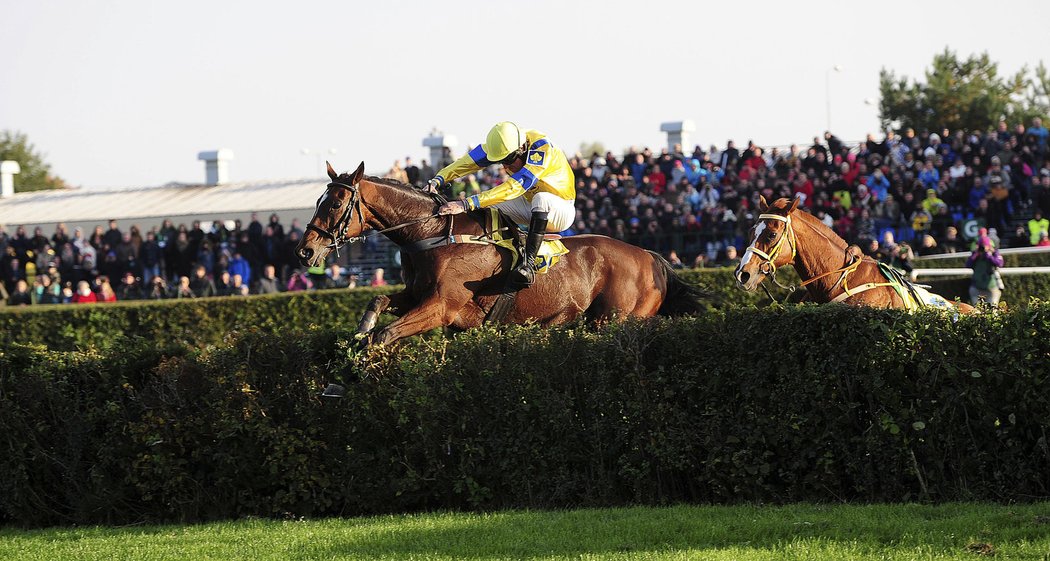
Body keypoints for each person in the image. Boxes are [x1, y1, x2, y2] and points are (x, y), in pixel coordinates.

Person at [425, 122, 576, 287]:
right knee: (488, 208)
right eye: (500, 162)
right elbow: (466, 162)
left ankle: (529, 264)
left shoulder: (542, 150)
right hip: (530, 205)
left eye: (508, 160)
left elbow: (515, 187)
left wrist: (466, 203)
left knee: (541, 198)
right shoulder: (503, 144)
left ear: (522, 149)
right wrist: (438, 179)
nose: (505, 166)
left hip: (560, 209)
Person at [966, 235, 1004, 306]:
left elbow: (999, 263)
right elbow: (968, 264)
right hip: (976, 288)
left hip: (992, 289)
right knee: (977, 313)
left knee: (992, 312)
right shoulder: (976, 254)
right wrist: (976, 254)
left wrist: (989, 255)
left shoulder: (994, 253)